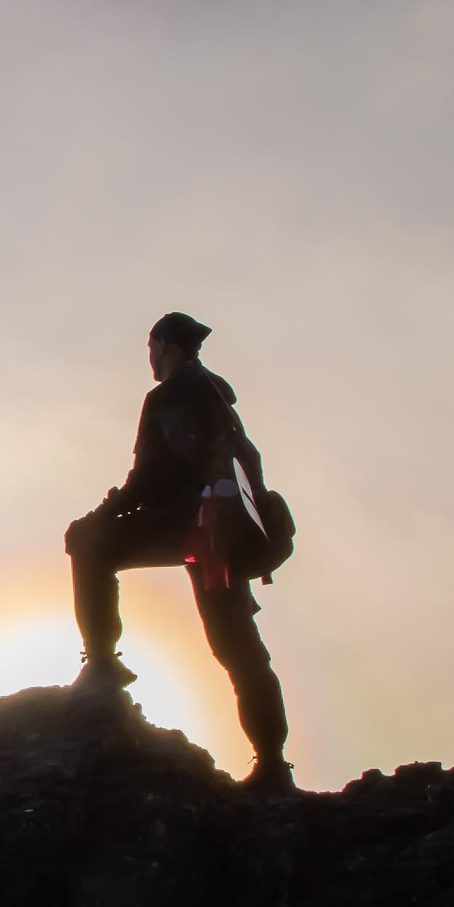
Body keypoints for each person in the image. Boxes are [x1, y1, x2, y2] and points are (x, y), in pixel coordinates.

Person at [65, 312, 293, 791]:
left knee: (88, 546)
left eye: (151, 346)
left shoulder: (170, 395)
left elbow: (150, 477)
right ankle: (273, 763)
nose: (150, 355)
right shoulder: (218, 397)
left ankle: (102, 666)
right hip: (228, 532)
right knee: (239, 648)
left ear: (164, 346)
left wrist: (102, 517)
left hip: (195, 524)